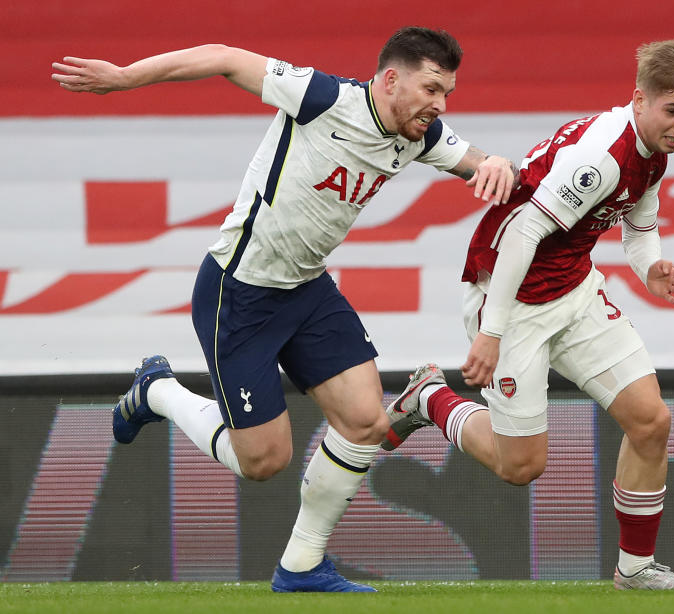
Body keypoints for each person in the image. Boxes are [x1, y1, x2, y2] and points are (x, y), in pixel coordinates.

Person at [51, 27, 515, 593]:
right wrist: (125, 77)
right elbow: (221, 56)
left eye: (448, 93)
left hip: (308, 292)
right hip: (237, 293)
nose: (441, 105)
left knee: (366, 422)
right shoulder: (322, 98)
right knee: (263, 461)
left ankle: (301, 567)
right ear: (391, 79)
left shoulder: (419, 135)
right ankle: (158, 392)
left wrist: (494, 162)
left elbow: (476, 161)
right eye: (433, 88)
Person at [382, 40, 674, 591]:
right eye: (672, 110)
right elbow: (521, 232)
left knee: (651, 422)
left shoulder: (652, 151)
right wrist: (491, 334)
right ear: (639, 99)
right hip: (510, 300)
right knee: (521, 468)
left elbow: (640, 223)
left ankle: (636, 570)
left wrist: (650, 265)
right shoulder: (602, 157)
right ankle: (429, 398)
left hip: (573, 289)